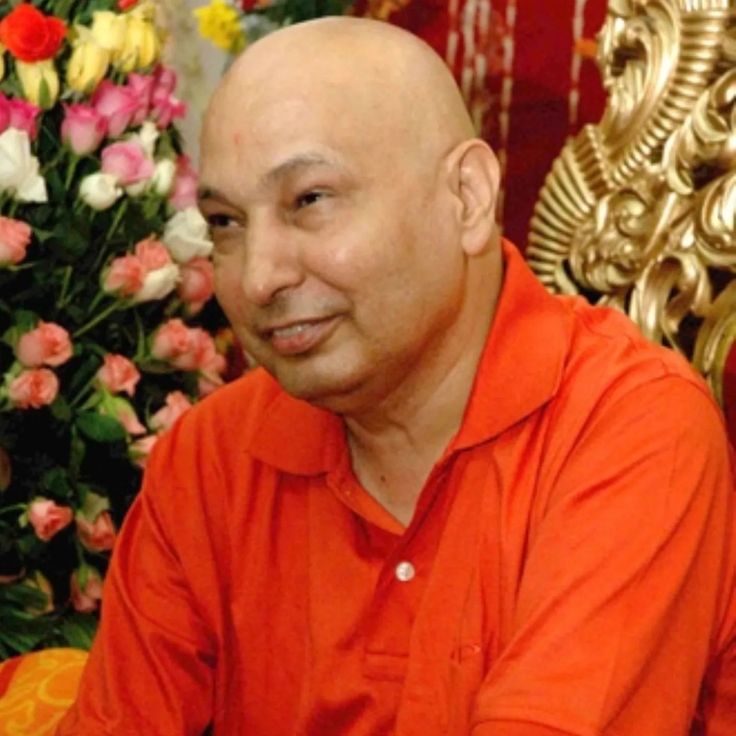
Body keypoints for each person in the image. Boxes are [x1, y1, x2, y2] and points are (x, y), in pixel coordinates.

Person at [57, 17, 736, 736]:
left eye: (310, 200)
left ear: (468, 197)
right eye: (226, 223)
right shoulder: (213, 457)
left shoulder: (627, 428)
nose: (259, 278)